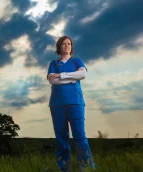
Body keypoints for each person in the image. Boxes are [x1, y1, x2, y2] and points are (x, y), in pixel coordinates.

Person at [47, 36, 97, 172]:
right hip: (57, 105)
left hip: (76, 103)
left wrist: (61, 75)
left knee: (79, 136)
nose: (66, 46)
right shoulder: (53, 63)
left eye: (69, 44)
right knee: (61, 139)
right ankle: (64, 168)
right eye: (63, 44)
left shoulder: (77, 61)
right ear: (59, 47)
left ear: (71, 47)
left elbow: (83, 75)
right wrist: (72, 78)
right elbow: (53, 81)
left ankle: (87, 168)